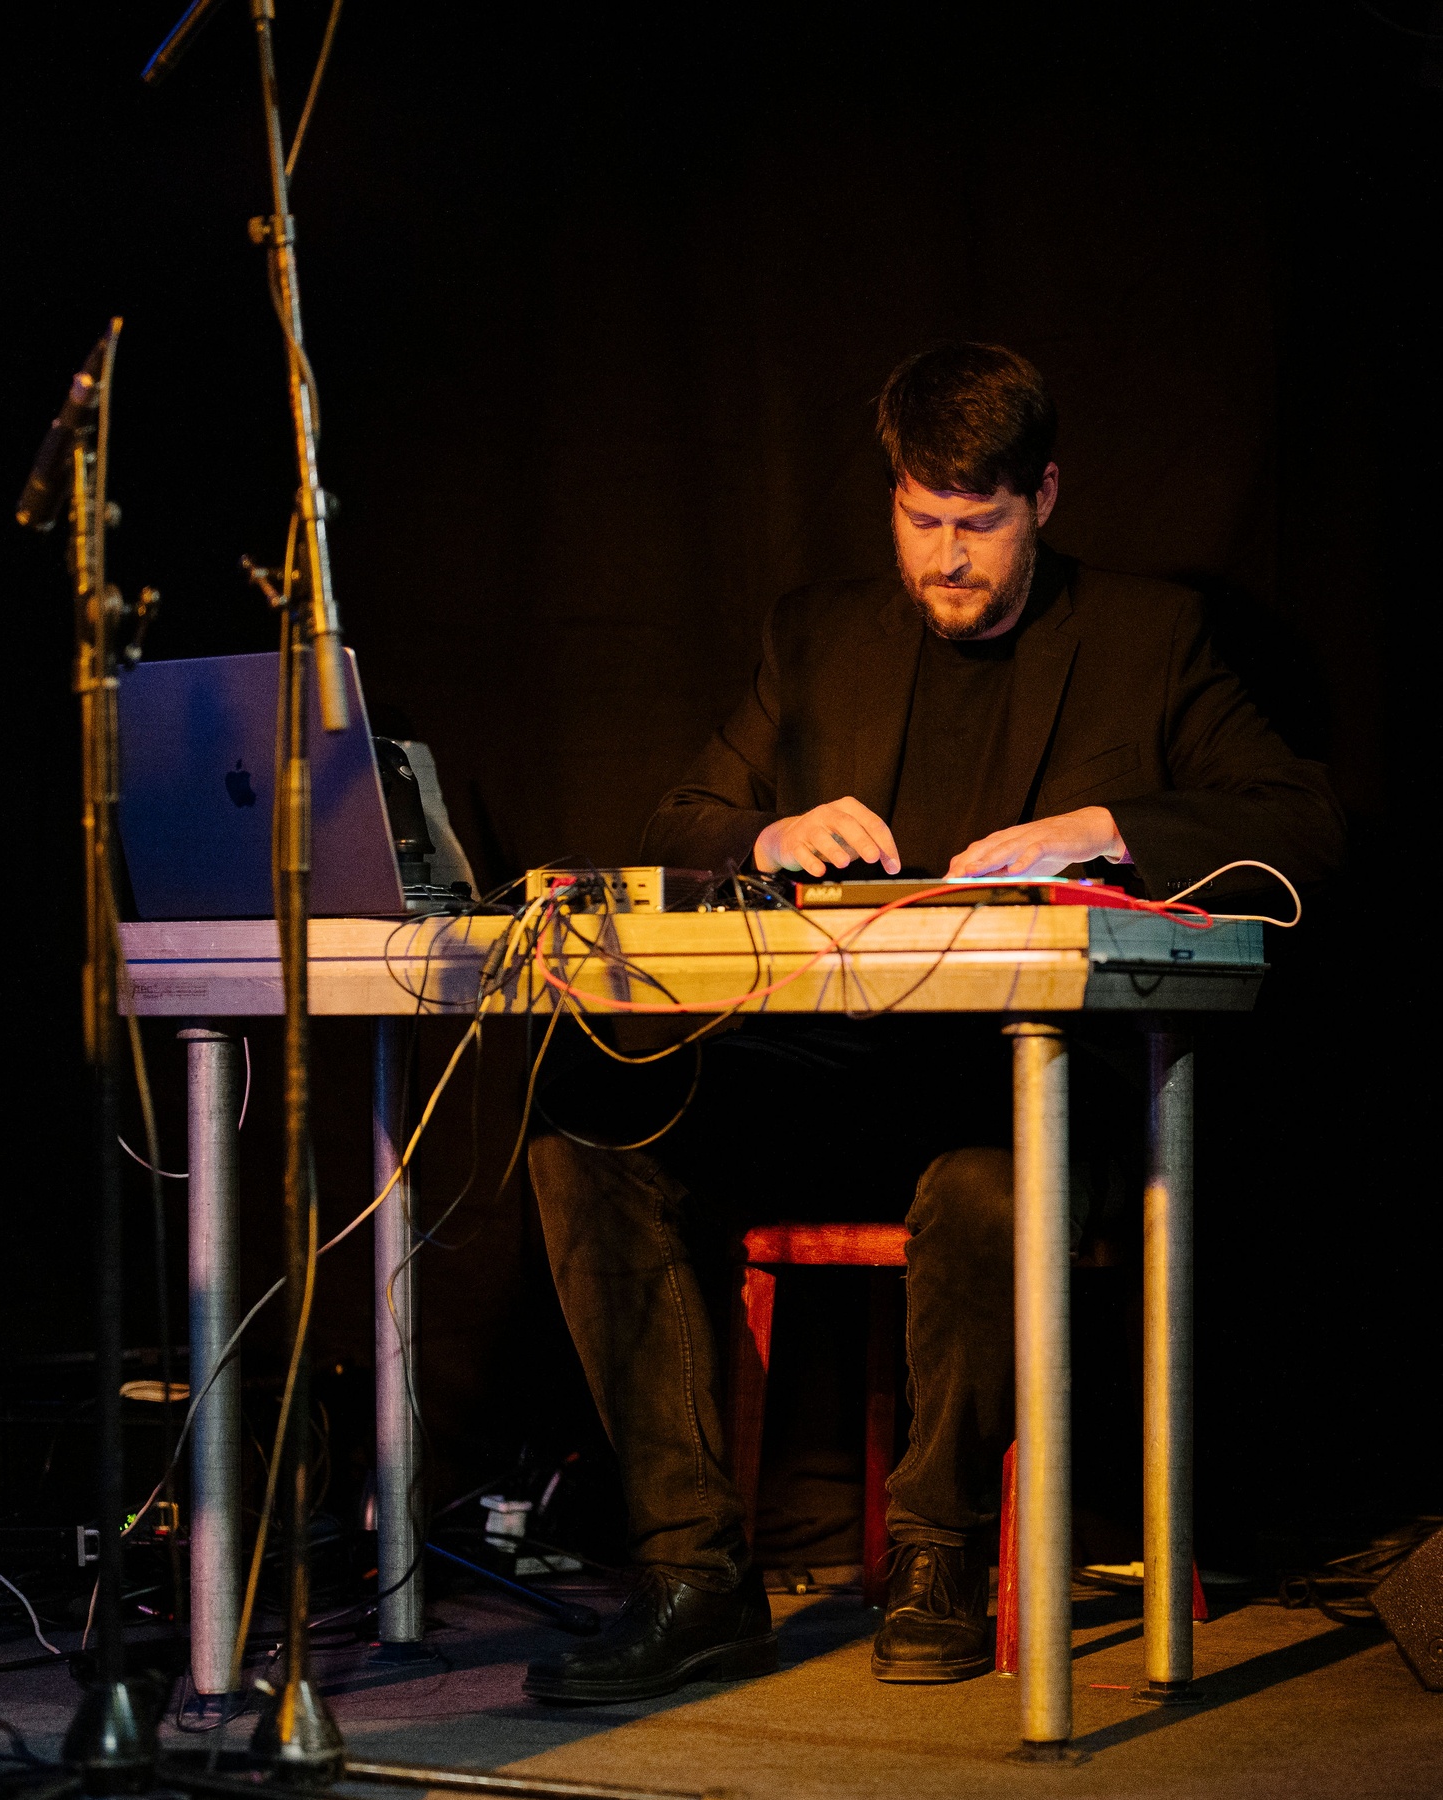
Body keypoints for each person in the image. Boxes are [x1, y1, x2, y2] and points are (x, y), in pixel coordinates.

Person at [523, 341, 1344, 1705]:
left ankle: (939, 1551)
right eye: (920, 522)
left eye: (979, 524)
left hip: (1035, 1086)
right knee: (590, 1115)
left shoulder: (1148, 638)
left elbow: (1300, 823)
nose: (946, 560)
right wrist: (768, 834)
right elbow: (679, 820)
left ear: (1045, 498)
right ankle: (692, 1576)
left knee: (982, 1185)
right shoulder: (817, 634)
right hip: (842, 1073)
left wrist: (1103, 826)